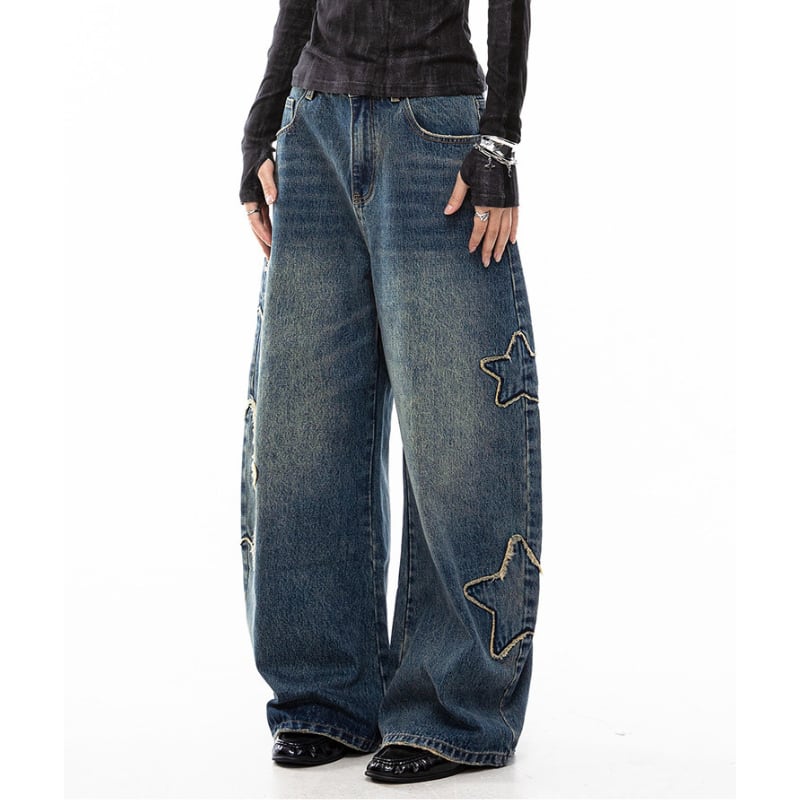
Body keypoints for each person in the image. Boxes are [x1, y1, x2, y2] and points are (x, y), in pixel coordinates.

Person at [237, 0, 542, 784]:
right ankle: (325, 696)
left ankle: (453, 710)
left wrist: (499, 138)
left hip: (435, 133)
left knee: (457, 433)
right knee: (303, 429)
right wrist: (262, 126)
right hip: (312, 128)